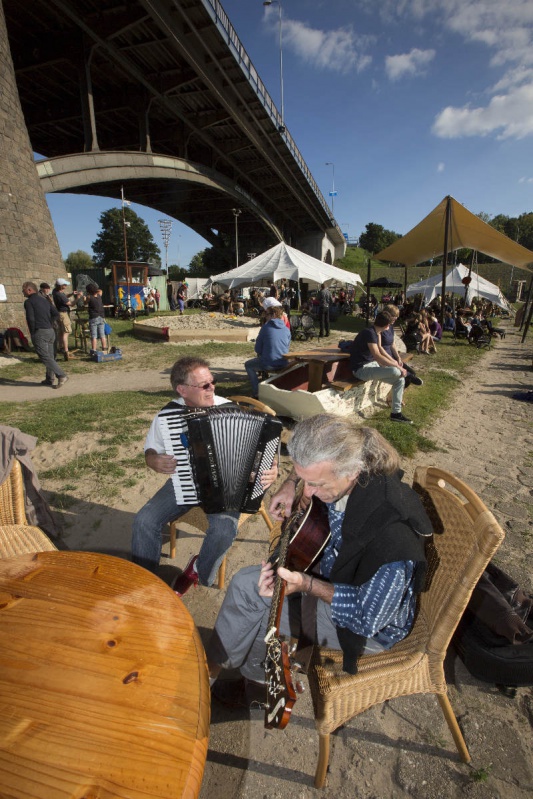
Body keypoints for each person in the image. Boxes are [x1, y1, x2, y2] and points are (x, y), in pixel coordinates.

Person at [206, 414, 431, 704]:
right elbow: (309, 471)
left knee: (251, 594)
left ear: (351, 470)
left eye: (317, 484)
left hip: (368, 628)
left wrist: (307, 585)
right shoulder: (355, 462)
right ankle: (246, 678)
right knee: (253, 591)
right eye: (306, 480)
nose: (309, 493)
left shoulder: (390, 538)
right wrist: (290, 484)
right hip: (334, 572)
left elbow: (367, 620)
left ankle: (225, 676)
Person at [131, 356, 278, 596]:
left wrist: (272, 470)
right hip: (184, 482)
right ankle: (143, 582)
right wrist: (154, 460)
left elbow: (263, 453)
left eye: (213, 382)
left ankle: (198, 570)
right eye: (204, 385)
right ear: (182, 390)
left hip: (226, 490)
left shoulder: (228, 408)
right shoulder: (168, 415)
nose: (212, 389)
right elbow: (151, 450)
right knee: (144, 520)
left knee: (223, 531)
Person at [349, 312, 413, 424]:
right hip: (361, 370)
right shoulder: (369, 333)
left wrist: (395, 362)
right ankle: (409, 375)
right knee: (395, 371)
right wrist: (398, 366)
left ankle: (396, 413)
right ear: (386, 325)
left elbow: (380, 354)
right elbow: (377, 356)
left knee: (400, 380)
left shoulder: (375, 332)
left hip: (371, 366)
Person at [22, 281, 68, 388]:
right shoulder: (45, 300)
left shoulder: (28, 302)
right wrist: (50, 322)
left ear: (29, 290)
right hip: (50, 330)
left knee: (44, 356)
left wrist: (32, 332)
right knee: (50, 356)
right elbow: (56, 313)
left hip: (40, 331)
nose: (22, 292)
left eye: (23, 290)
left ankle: (61, 375)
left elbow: (31, 318)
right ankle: (49, 378)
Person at [245, 305, 291, 399]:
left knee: (248, 365)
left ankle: (256, 392)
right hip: (284, 362)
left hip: (269, 362)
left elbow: (257, 349)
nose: (265, 316)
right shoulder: (286, 330)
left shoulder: (265, 328)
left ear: (273, 315)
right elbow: (287, 347)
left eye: (267, 314)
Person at [52, 278, 74, 360]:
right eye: (64, 285)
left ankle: (61, 348)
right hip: (63, 314)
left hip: (59, 313)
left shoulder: (55, 291)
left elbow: (64, 298)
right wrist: (78, 297)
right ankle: (66, 351)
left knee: (61, 332)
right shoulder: (60, 294)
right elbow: (70, 304)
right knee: (66, 332)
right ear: (61, 286)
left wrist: (71, 294)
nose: (66, 286)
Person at [85, 284, 107, 353]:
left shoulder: (89, 297)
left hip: (94, 317)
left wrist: (84, 298)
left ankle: (94, 350)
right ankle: (104, 348)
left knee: (94, 335)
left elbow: (85, 303)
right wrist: (96, 290)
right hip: (101, 317)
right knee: (102, 334)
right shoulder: (99, 295)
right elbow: (100, 290)